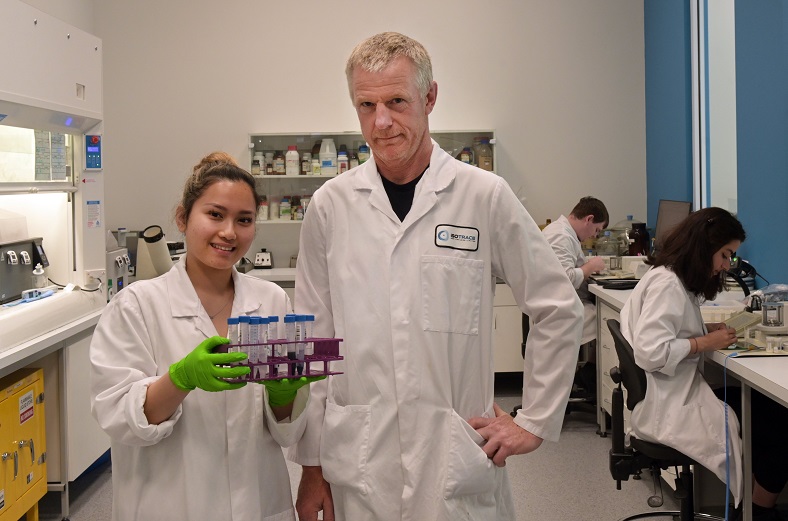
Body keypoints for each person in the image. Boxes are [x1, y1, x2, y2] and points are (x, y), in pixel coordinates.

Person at [288, 32, 584, 521]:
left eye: (397, 101)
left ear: (429, 98)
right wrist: (312, 467)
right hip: (359, 461)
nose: (381, 122)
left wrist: (534, 421)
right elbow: (318, 342)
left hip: (455, 459)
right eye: (366, 105)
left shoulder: (482, 195)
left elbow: (556, 306)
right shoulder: (331, 206)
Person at [90, 152, 317, 521]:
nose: (229, 232)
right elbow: (118, 416)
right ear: (183, 217)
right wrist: (181, 379)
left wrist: (284, 395)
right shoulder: (136, 306)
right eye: (215, 215)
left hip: (257, 503)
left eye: (244, 220)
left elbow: (286, 433)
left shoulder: (272, 300)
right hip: (169, 503)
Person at [620, 206, 788, 520]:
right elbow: (650, 352)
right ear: (704, 247)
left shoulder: (667, 276)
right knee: (778, 419)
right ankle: (759, 510)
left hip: (669, 397)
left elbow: (665, 330)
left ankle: (754, 504)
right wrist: (704, 343)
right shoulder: (668, 285)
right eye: (725, 255)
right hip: (673, 407)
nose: (726, 265)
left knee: (767, 411)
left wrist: (703, 331)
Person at [542, 196, 608, 343]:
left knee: (606, 315)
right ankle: (594, 364)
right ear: (589, 219)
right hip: (558, 312)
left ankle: (592, 364)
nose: (594, 235)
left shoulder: (564, 232)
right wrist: (590, 266)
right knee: (608, 318)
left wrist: (588, 267)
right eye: (597, 229)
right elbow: (565, 279)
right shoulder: (560, 236)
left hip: (561, 304)